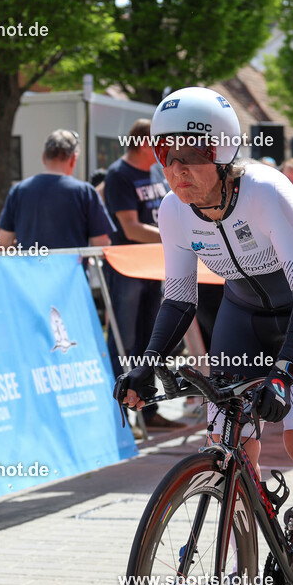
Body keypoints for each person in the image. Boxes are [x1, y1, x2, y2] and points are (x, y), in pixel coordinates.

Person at [114, 87, 293, 585]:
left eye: (192, 154)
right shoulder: (173, 211)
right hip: (245, 313)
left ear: (225, 152)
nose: (177, 168)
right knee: (228, 439)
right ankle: (244, 574)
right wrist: (145, 366)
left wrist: (284, 373)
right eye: (167, 155)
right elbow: (179, 298)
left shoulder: (265, 190)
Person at [103, 119, 179, 430]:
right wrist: (173, 236)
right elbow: (130, 228)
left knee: (149, 340)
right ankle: (118, 419)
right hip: (127, 268)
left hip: (151, 267)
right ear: (145, 143)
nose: (166, 150)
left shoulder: (151, 173)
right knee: (123, 340)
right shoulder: (119, 174)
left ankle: (147, 411)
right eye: (160, 143)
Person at [0, 130, 113, 250]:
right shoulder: (85, 192)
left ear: (44, 157)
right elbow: (101, 244)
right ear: (73, 159)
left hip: (29, 268)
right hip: (71, 268)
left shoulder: (18, 191)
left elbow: (4, 243)